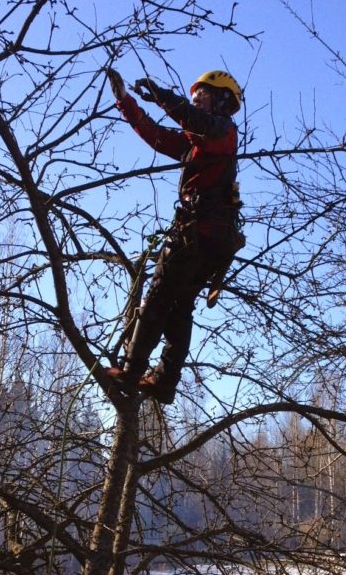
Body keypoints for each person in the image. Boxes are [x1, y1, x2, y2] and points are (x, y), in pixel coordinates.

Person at [102, 67, 245, 404]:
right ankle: (165, 381)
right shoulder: (197, 145)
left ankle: (132, 369)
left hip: (198, 235)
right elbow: (155, 135)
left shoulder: (222, 132)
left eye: (202, 97)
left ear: (222, 100)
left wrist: (164, 96)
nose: (196, 102)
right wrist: (126, 102)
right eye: (194, 98)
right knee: (179, 308)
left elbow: (196, 121)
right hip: (210, 240)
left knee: (158, 298)